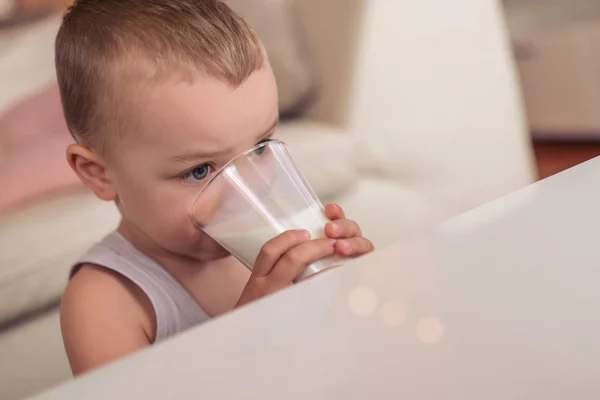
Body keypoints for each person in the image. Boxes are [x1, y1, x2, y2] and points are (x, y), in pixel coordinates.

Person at [58, 0, 374, 376]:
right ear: (99, 174)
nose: (250, 191)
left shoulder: (277, 245)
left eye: (260, 148)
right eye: (199, 171)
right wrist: (246, 336)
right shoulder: (107, 301)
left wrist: (352, 284)